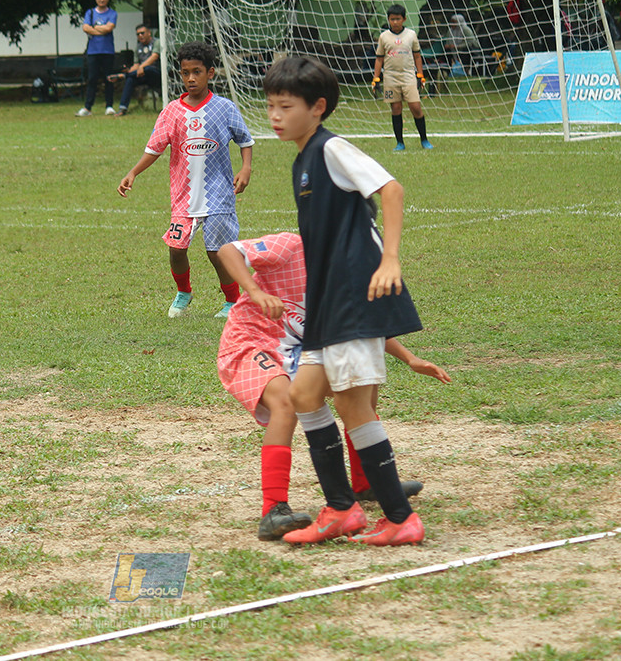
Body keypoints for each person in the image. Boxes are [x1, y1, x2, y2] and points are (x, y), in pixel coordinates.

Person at [264, 56, 426, 547]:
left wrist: (391, 260)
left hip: (356, 297)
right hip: (329, 301)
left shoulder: (332, 149)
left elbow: (391, 188)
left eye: (285, 106)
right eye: (269, 105)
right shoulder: (303, 157)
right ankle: (341, 510)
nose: (274, 115)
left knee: (355, 405)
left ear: (317, 108)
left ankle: (400, 518)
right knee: (304, 396)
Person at [217, 232, 450, 541]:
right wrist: (255, 291)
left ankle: (366, 483)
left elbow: (362, 326)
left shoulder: (346, 270)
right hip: (250, 340)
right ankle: (273, 510)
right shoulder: (291, 246)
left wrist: (410, 359)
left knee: (359, 389)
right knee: (285, 403)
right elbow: (227, 250)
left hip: (303, 348)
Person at [117, 41, 254, 319]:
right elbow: (154, 149)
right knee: (176, 248)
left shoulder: (224, 108)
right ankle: (184, 292)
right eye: (185, 73)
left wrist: (246, 167)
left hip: (219, 194)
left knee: (218, 253)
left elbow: (245, 140)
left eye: (197, 72)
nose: (191, 78)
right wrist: (133, 172)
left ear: (211, 73)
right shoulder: (171, 112)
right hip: (184, 196)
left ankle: (231, 300)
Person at [372, 5, 433, 151]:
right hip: (391, 77)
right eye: (392, 19)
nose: (395, 22)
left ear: (404, 19)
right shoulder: (384, 37)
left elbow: (417, 56)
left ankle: (424, 139)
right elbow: (379, 59)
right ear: (388, 20)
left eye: (398, 19)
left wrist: (420, 75)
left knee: (415, 107)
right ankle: (400, 142)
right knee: (396, 108)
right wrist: (376, 78)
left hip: (408, 76)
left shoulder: (411, 35)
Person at [77, 0, 118, 117]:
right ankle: (88, 107)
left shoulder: (112, 13)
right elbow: (85, 28)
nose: (102, 0)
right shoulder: (89, 13)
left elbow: (109, 27)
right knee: (92, 79)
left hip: (108, 51)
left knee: (108, 78)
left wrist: (94, 28)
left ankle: (109, 106)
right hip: (93, 51)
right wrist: (100, 30)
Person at [112, 24, 162, 116]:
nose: (140, 36)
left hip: (156, 74)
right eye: (138, 34)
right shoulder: (138, 47)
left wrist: (141, 67)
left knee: (147, 68)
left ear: (149, 33)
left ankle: (122, 76)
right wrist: (130, 71)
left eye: (142, 33)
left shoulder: (156, 42)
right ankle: (122, 108)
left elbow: (154, 57)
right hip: (142, 74)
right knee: (130, 79)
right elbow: (136, 65)